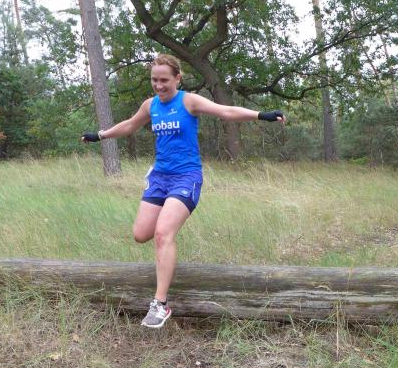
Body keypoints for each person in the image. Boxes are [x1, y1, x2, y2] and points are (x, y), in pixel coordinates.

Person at [81, 54, 284, 329]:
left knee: (163, 233)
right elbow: (130, 125)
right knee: (141, 234)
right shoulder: (151, 105)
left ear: (177, 78)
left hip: (186, 177)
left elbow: (225, 111)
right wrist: (100, 135)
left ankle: (160, 304)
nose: (159, 85)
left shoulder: (188, 101)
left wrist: (261, 115)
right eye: (154, 80)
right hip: (159, 177)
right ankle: (166, 257)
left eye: (164, 80)